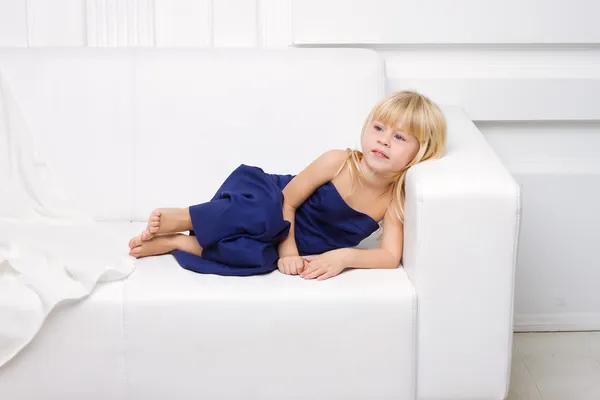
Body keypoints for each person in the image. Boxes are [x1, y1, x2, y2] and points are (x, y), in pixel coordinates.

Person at [127, 90, 446, 280]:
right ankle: (185, 217)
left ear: (421, 151)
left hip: (293, 240)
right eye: (379, 128)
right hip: (270, 200)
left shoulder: (393, 201)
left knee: (259, 260)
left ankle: (177, 243)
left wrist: (344, 258)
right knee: (261, 214)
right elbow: (287, 202)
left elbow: (390, 255)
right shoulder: (338, 162)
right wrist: (288, 248)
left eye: (400, 137)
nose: (384, 140)